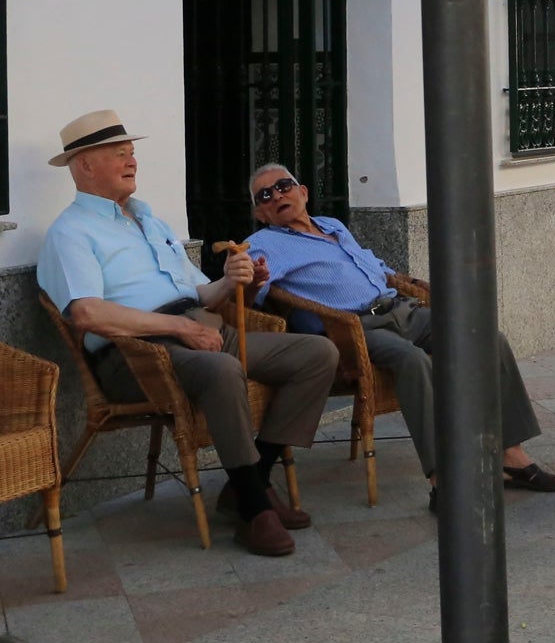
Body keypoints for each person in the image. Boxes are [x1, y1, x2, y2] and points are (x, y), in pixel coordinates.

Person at [38, 109, 339, 558]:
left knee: (317, 354)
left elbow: (197, 289)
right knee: (219, 369)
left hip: (202, 330)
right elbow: (87, 313)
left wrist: (234, 280)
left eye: (132, 152)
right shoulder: (70, 232)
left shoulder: (151, 221)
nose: (132, 161)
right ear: (84, 165)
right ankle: (256, 510)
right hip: (136, 354)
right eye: (119, 154)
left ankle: (247, 484)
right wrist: (177, 325)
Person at [243, 163, 555, 513]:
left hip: (400, 309)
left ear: (303, 191)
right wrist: (252, 281)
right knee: (412, 360)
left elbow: (376, 268)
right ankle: (441, 479)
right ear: (260, 213)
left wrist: (410, 283)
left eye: (283, 186)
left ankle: (511, 456)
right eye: (265, 195)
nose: (277, 195)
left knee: (486, 339)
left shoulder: (331, 226)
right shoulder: (264, 244)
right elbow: (243, 296)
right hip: (353, 329)